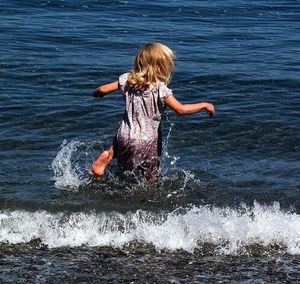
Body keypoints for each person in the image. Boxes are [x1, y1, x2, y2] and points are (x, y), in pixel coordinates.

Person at [91, 42, 215, 180]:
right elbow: (181, 109)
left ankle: (106, 158)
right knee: (150, 175)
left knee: (122, 162)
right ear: (159, 68)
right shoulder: (160, 90)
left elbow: (102, 89)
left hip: (124, 134)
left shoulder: (127, 80)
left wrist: (97, 94)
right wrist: (204, 105)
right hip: (146, 141)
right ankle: (149, 193)